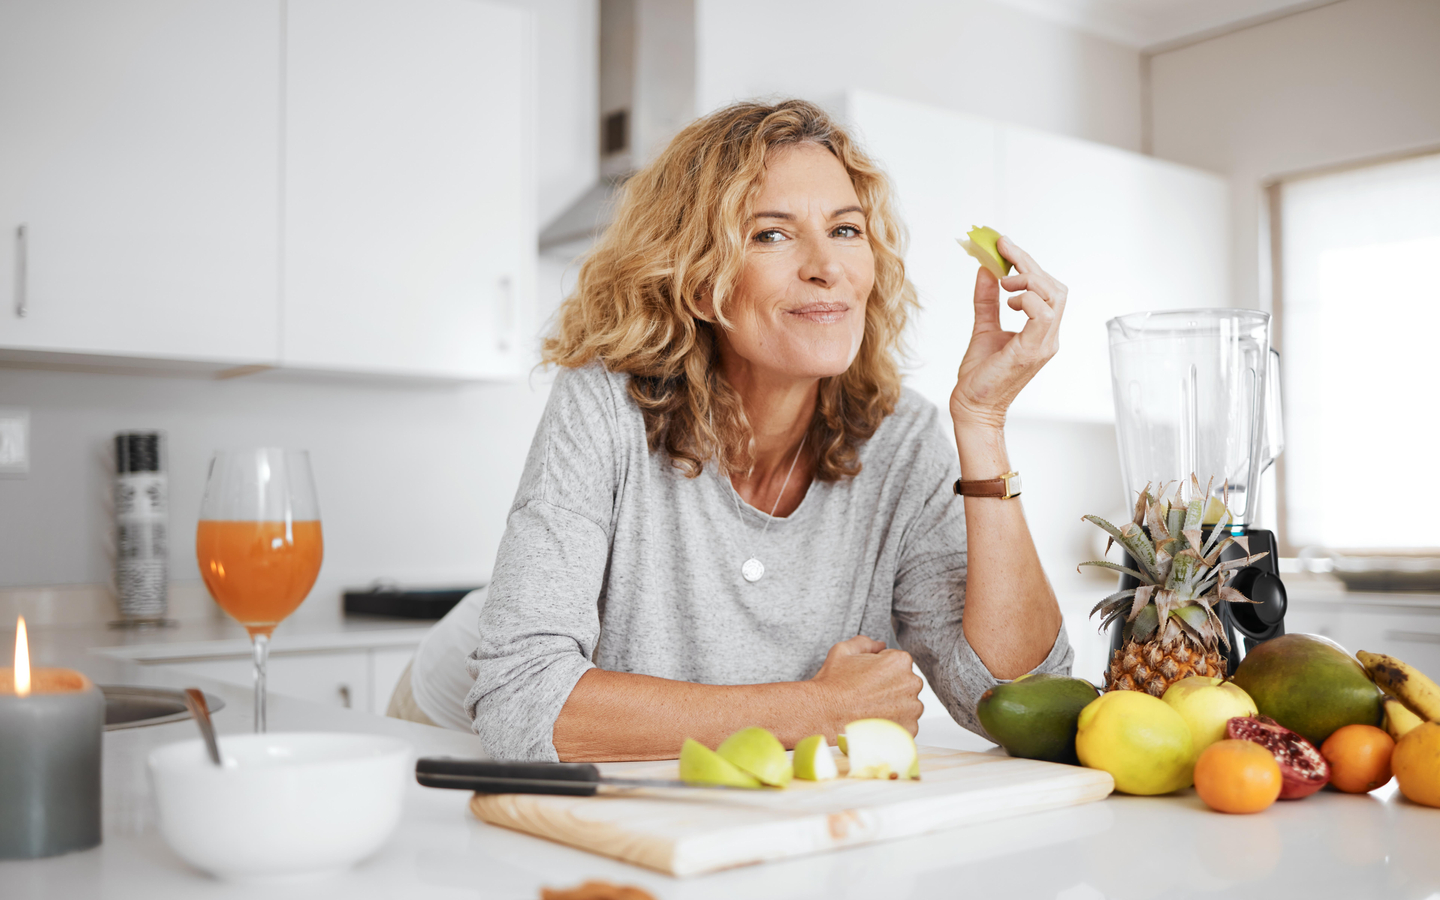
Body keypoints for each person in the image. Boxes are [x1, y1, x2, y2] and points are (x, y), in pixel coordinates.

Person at [465, 99, 1071, 762]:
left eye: (845, 230)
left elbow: (1025, 703)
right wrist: (820, 710)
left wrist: (982, 425)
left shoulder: (903, 442)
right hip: (446, 724)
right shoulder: (604, 405)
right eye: (771, 235)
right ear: (699, 283)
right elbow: (519, 700)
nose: (826, 266)